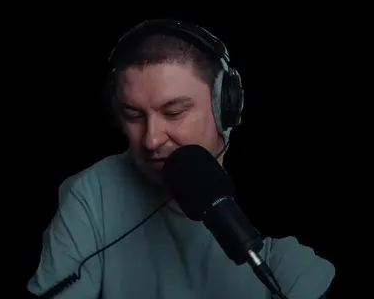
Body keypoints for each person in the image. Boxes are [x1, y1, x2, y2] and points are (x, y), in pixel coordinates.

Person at [26, 19, 334, 298]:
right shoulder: (90, 193)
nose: (151, 139)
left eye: (173, 113)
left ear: (225, 107)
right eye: (133, 115)